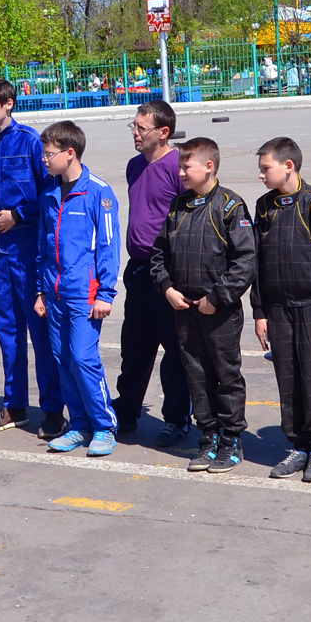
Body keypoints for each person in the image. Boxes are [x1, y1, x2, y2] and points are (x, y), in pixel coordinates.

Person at [151, 138, 255, 473]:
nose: (181, 173)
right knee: (196, 375)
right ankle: (207, 439)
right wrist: (167, 288)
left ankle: (231, 440)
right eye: (180, 167)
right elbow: (159, 255)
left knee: (225, 375)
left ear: (208, 167)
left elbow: (245, 262)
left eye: (186, 167)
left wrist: (217, 298)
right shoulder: (178, 206)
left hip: (219, 312)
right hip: (185, 310)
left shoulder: (229, 206)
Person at [0, 79, 61, 436]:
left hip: (28, 249)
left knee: (41, 332)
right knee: (7, 331)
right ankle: (15, 405)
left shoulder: (31, 142)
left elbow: (49, 194)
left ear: (8, 104)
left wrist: (18, 216)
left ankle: (53, 410)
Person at [252, 137, 311, 483]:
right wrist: (259, 312)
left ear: (288, 166)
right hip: (278, 310)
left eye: (266, 168)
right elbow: (257, 264)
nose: (261, 175)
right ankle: (298, 446)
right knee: (287, 380)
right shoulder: (264, 207)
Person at [33, 120, 121, 455]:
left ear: (70, 153)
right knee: (63, 360)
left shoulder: (99, 192)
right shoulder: (49, 194)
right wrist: (41, 291)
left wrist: (105, 293)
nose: (45, 160)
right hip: (54, 294)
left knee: (84, 359)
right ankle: (80, 424)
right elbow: (43, 247)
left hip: (85, 294)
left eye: (49, 154)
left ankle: (104, 425)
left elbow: (109, 247)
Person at [115, 99, 189, 445]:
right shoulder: (134, 166)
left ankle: (176, 419)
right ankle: (126, 411)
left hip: (169, 273)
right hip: (138, 271)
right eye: (133, 126)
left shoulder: (178, 167)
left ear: (163, 132)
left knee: (175, 352)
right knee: (134, 347)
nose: (134, 132)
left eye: (141, 128)